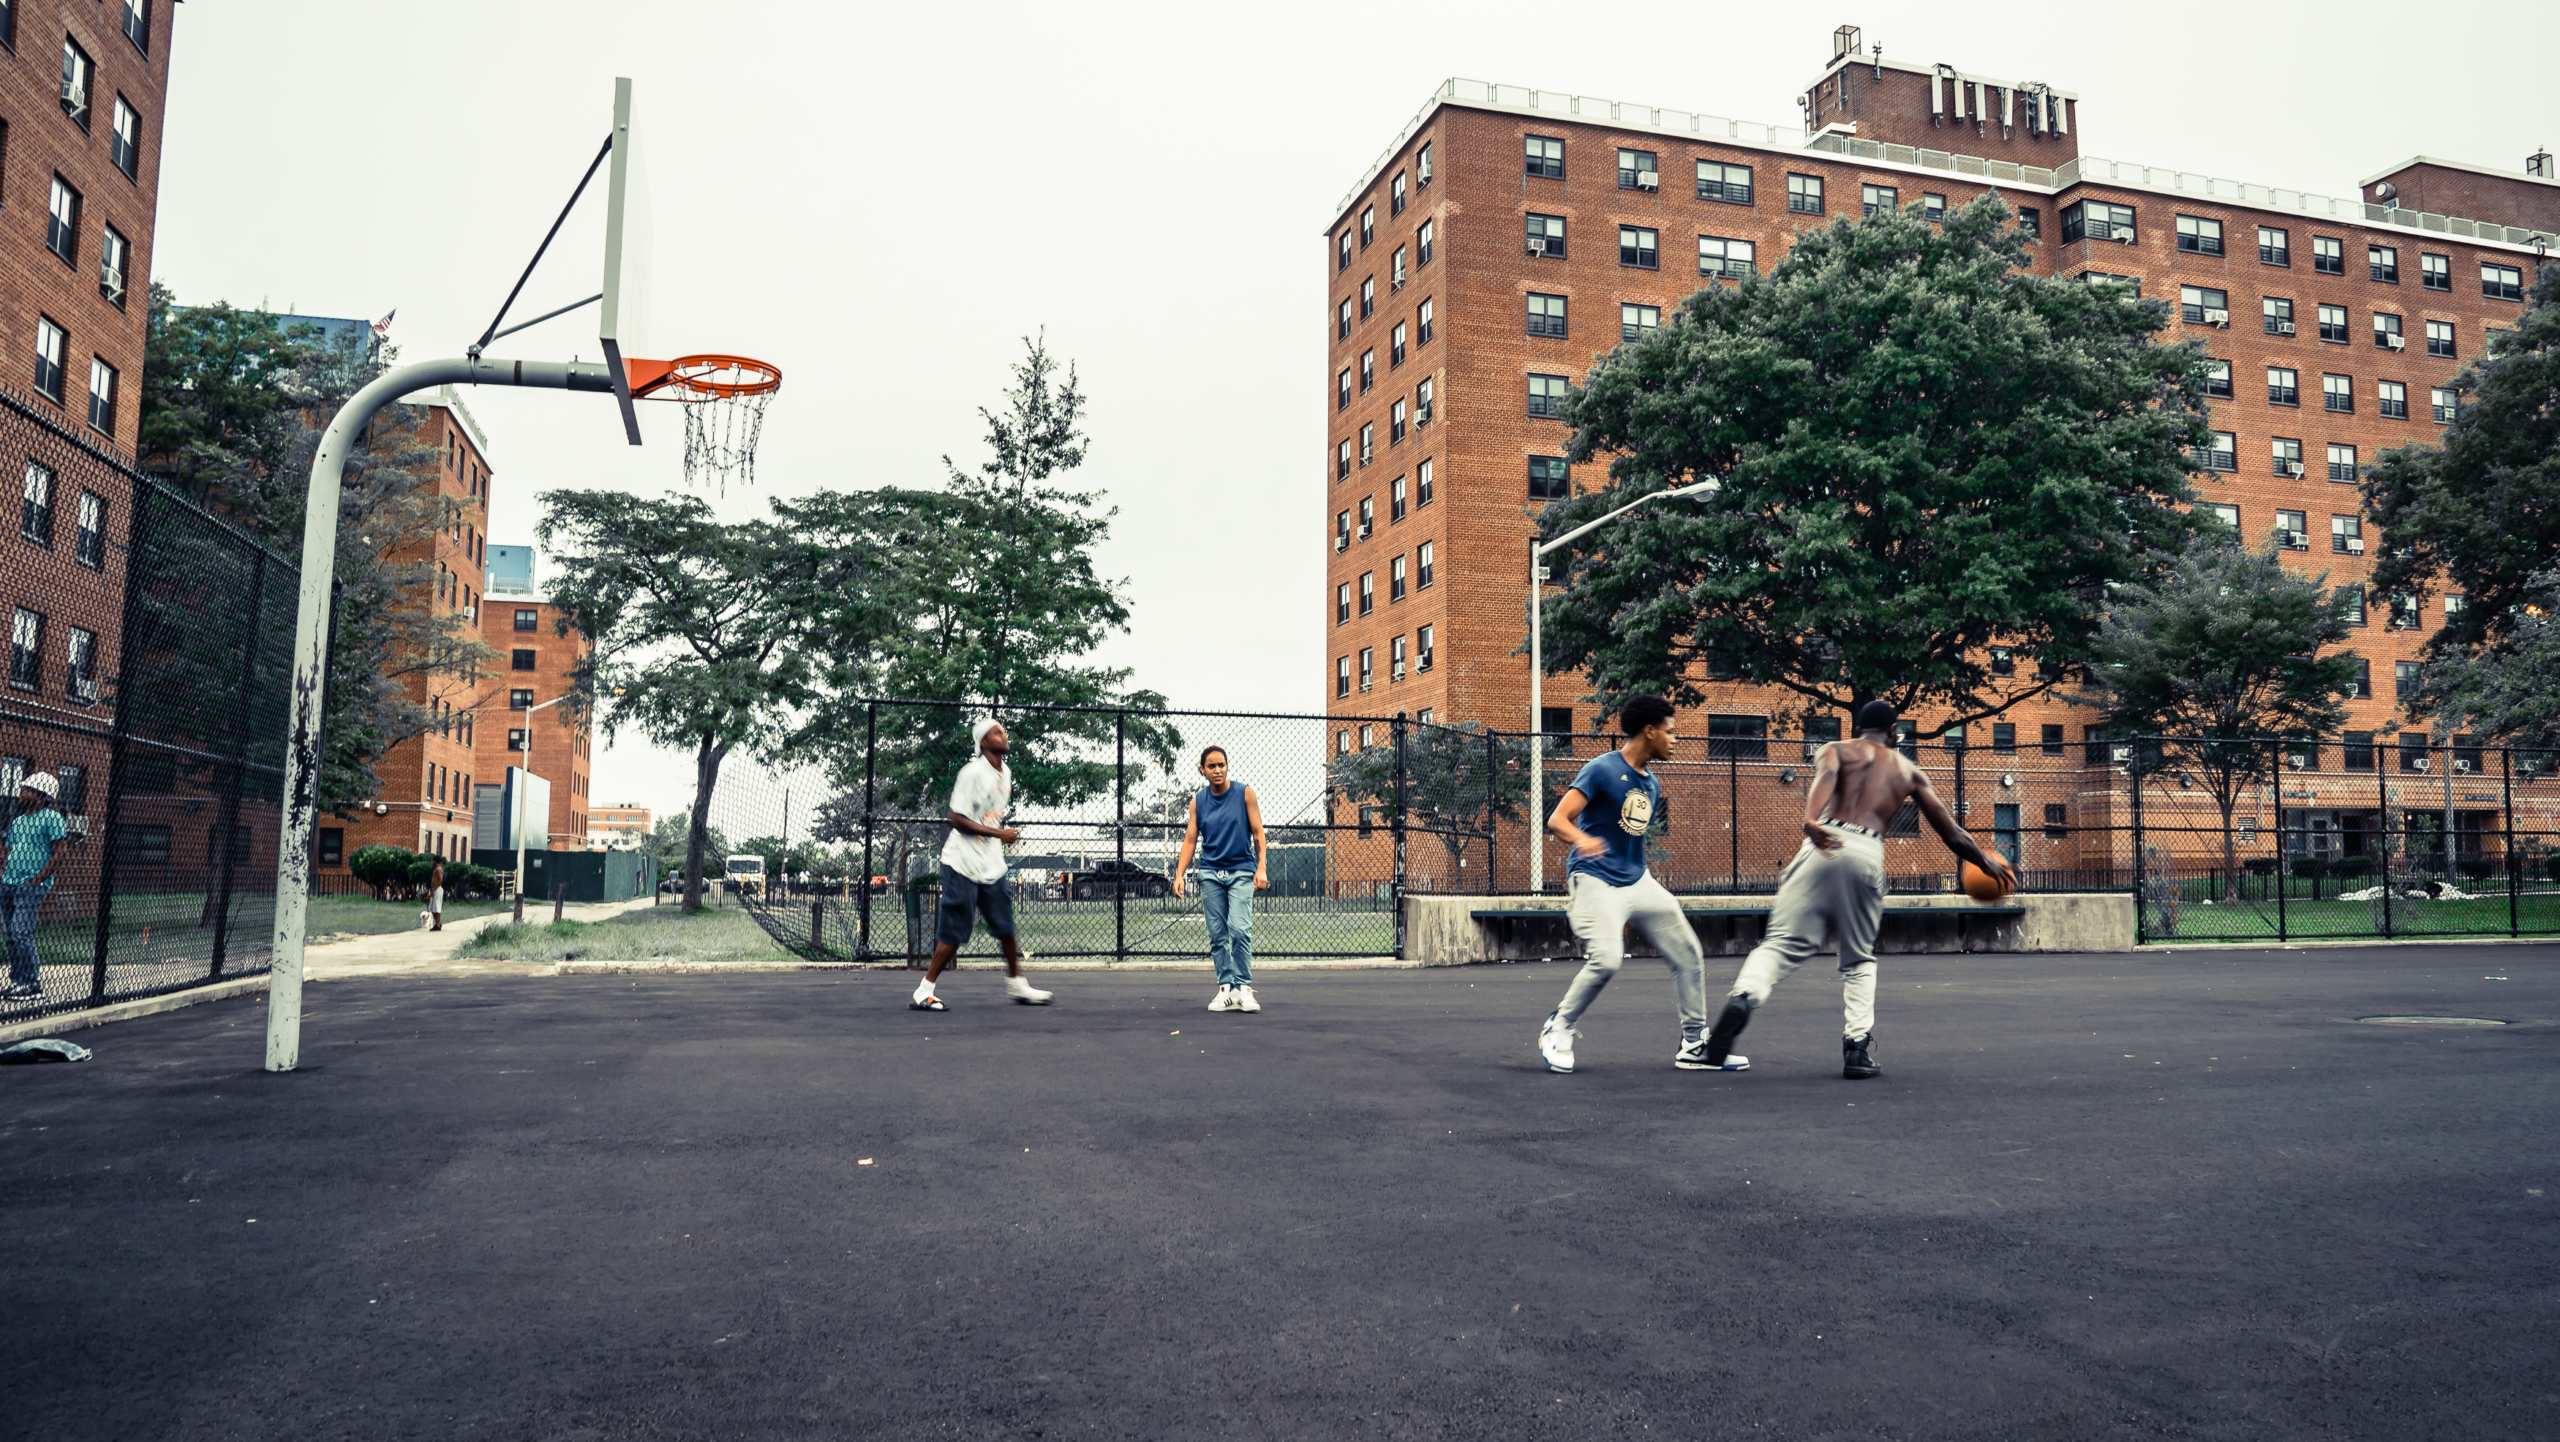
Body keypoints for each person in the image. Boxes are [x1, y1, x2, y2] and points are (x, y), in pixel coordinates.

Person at [1703, 699, 2018, 1080]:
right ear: (1893, 731)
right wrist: (1984, 861)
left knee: (1780, 944)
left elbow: (1827, 776)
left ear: (1859, 729)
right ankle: (1856, 1049)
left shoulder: (1835, 749)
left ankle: (1743, 998)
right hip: (1865, 850)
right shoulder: (1908, 770)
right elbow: (1951, 832)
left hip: (1823, 842)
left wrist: (1810, 820)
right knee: (1858, 959)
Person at [1535, 696, 1718, 1074]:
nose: (1675, 739)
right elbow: (1557, 820)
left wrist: (1632, 906)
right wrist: (1583, 840)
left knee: (1688, 953)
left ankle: (1694, 1043)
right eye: (1670, 731)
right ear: (1649, 731)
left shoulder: (1651, 784)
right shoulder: (1601, 769)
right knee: (1606, 960)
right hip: (1594, 877)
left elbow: (1630, 839)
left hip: (1637, 881)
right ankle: (1559, 1026)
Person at [911, 719, 1052, 1011]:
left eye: (1004, 731)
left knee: (1006, 926)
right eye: (997, 732)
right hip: (961, 863)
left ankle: (1018, 984)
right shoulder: (972, 772)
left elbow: (989, 816)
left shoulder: (1005, 773)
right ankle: (924, 990)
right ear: (984, 742)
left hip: (991, 864)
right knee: (955, 931)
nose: (1004, 735)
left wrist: (996, 837)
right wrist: (999, 834)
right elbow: (956, 819)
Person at [1173, 745, 1268, 1013]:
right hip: (1210, 873)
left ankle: (1244, 989)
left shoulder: (1244, 793)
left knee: (1239, 929)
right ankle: (1226, 989)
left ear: (1227, 766)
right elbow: (1190, 840)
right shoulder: (1198, 801)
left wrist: (1261, 867)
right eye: (1211, 766)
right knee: (1217, 934)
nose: (1217, 770)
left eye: (1221, 765)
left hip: (1241, 871)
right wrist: (1179, 875)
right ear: (1202, 770)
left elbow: (1258, 832)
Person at [1, 773, 68, 1002]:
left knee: (21, 932)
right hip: (8, 883)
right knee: (11, 935)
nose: (22, 793)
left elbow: (60, 852)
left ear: (41, 797)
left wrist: (38, 879)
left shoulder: (52, 818)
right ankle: (18, 981)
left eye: (28, 790)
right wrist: (2, 873)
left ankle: (31, 984)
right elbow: (8, 849)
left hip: (31, 885)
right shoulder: (18, 821)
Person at [427, 856, 446, 932]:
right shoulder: (437, 869)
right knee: (432, 908)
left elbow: (440, 880)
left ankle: (437, 925)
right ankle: (437, 923)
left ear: (434, 861)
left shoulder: (438, 869)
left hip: (437, 889)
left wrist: (433, 889)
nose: (432, 863)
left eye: (433, 861)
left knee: (436, 907)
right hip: (435, 889)